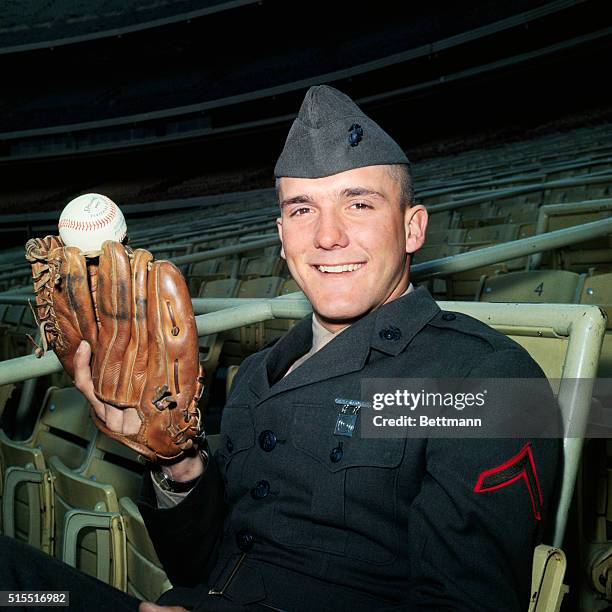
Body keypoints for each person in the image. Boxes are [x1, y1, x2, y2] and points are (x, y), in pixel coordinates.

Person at [0, 85, 560, 612]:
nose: (327, 236)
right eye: (302, 209)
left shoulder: (484, 380)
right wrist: (177, 460)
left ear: (413, 228)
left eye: (359, 204)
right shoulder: (257, 374)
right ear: (281, 235)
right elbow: (205, 569)